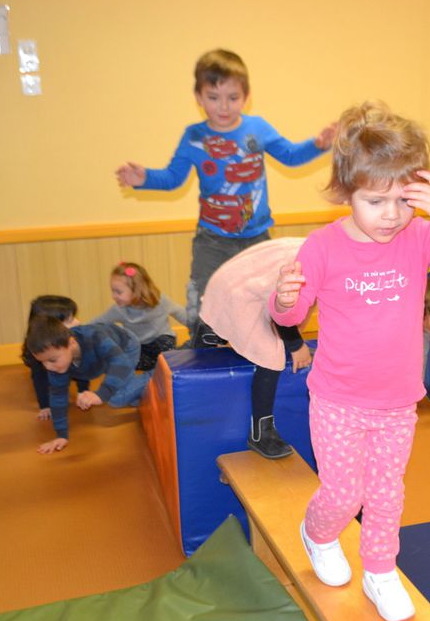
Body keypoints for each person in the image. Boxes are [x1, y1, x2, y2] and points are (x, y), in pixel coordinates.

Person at [271, 101, 430, 621]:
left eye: (402, 200)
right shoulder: (323, 247)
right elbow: (293, 313)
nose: (390, 215)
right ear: (346, 194)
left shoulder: (418, 237)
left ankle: (380, 569)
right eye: (374, 201)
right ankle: (317, 533)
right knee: (344, 491)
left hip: (397, 400)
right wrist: (284, 298)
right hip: (338, 398)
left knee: (387, 493)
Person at [115, 48, 336, 345]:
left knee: (269, 294)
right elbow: (172, 178)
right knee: (203, 295)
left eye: (233, 98)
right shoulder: (195, 136)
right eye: (213, 97)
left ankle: (271, 344)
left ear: (246, 96)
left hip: (255, 236)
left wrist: (318, 144)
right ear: (198, 97)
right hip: (212, 238)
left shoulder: (257, 128)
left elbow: (290, 156)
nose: (224, 107)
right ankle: (204, 344)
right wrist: (144, 179)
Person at [200, 237, 313, 459]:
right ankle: (261, 433)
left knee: (240, 325)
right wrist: (296, 345)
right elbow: (285, 313)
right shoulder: (311, 263)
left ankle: (209, 330)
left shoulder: (314, 246)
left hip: (231, 282)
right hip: (240, 294)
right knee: (270, 355)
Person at [26, 316, 152, 455]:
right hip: (103, 360)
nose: (48, 367)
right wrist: (61, 436)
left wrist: (100, 394)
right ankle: (139, 393)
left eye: (52, 360)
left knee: (117, 398)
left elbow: (120, 363)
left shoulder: (95, 337)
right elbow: (58, 397)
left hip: (125, 346)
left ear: (71, 343)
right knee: (126, 391)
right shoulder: (57, 364)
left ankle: (153, 374)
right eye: (42, 362)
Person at [91, 262, 188, 371]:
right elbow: (98, 322)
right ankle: (154, 365)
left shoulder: (159, 301)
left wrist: (200, 327)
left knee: (165, 344)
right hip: (139, 346)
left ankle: (164, 362)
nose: (113, 296)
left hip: (160, 342)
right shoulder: (119, 309)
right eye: (113, 291)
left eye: (118, 292)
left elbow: (180, 313)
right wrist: (77, 333)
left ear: (137, 290)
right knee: (123, 357)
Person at [21, 295, 90, 421]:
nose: (78, 322)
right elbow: (39, 379)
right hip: (48, 369)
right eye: (70, 320)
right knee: (49, 375)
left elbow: (83, 366)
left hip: (69, 363)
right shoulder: (39, 350)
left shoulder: (76, 338)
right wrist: (45, 405)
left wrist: (83, 391)